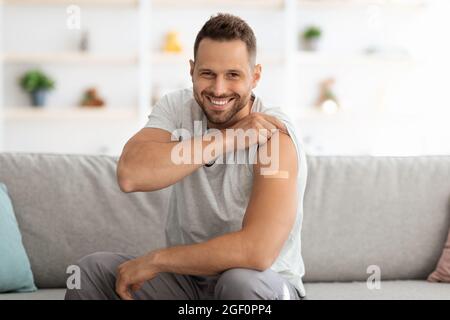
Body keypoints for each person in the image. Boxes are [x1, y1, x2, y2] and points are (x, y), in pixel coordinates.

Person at [65, 13, 307, 300]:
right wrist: (225, 138)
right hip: (190, 283)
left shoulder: (274, 135)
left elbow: (258, 251)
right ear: (191, 71)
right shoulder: (177, 108)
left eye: (233, 75)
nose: (218, 89)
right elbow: (131, 174)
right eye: (207, 74)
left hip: (264, 283)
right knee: (89, 273)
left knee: (239, 284)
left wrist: (156, 260)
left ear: (255, 76)